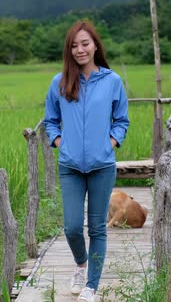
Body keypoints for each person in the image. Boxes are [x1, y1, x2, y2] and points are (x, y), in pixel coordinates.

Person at [43, 20, 129, 302]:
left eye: (85, 43)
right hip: (70, 166)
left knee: (97, 228)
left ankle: (91, 286)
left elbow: (121, 121)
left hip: (102, 165)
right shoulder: (60, 82)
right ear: (69, 50)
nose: (79, 49)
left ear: (95, 46)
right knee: (71, 226)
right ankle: (81, 265)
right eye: (74, 45)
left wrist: (111, 142)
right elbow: (51, 121)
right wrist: (59, 142)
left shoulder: (112, 81)